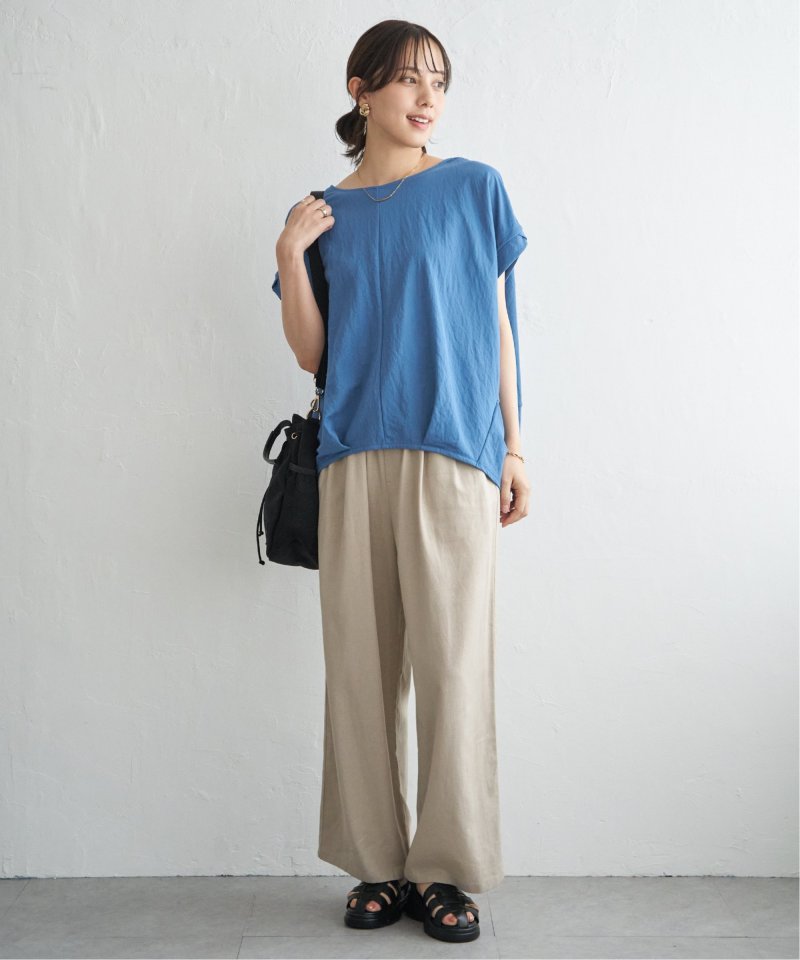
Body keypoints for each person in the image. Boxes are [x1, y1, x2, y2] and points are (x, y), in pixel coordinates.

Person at [271, 18, 530, 945]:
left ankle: (445, 872)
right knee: (361, 672)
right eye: (409, 80)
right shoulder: (322, 214)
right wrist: (290, 256)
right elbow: (314, 354)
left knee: (453, 670)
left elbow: (498, 325)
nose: (427, 99)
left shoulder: (473, 187)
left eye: (439, 82)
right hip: (352, 457)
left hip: (456, 454)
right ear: (362, 89)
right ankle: (377, 867)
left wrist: (515, 446)